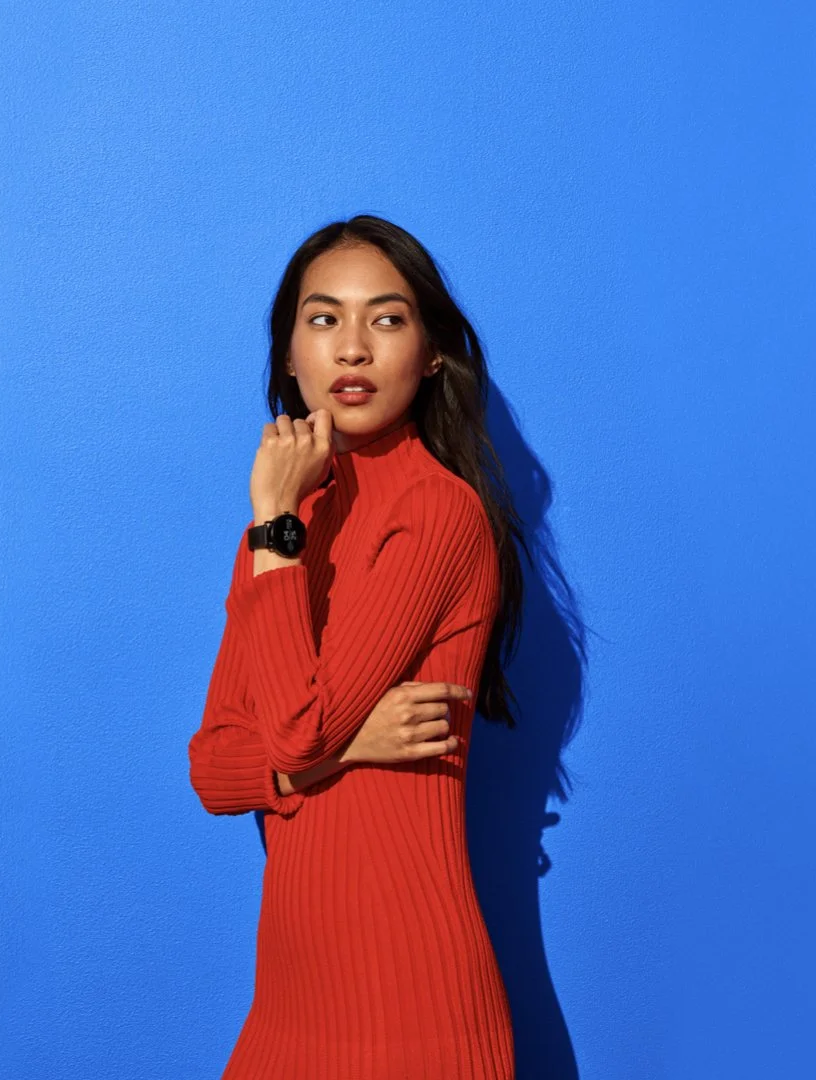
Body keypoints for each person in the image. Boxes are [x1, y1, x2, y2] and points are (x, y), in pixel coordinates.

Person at [188, 215, 529, 1079]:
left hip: (412, 999)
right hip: (293, 1002)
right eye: (322, 319)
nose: (351, 350)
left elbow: (295, 732)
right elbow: (213, 769)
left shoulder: (437, 513)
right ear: (290, 356)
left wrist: (306, 758)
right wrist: (344, 748)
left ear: (432, 355)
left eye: (385, 319)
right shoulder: (281, 530)